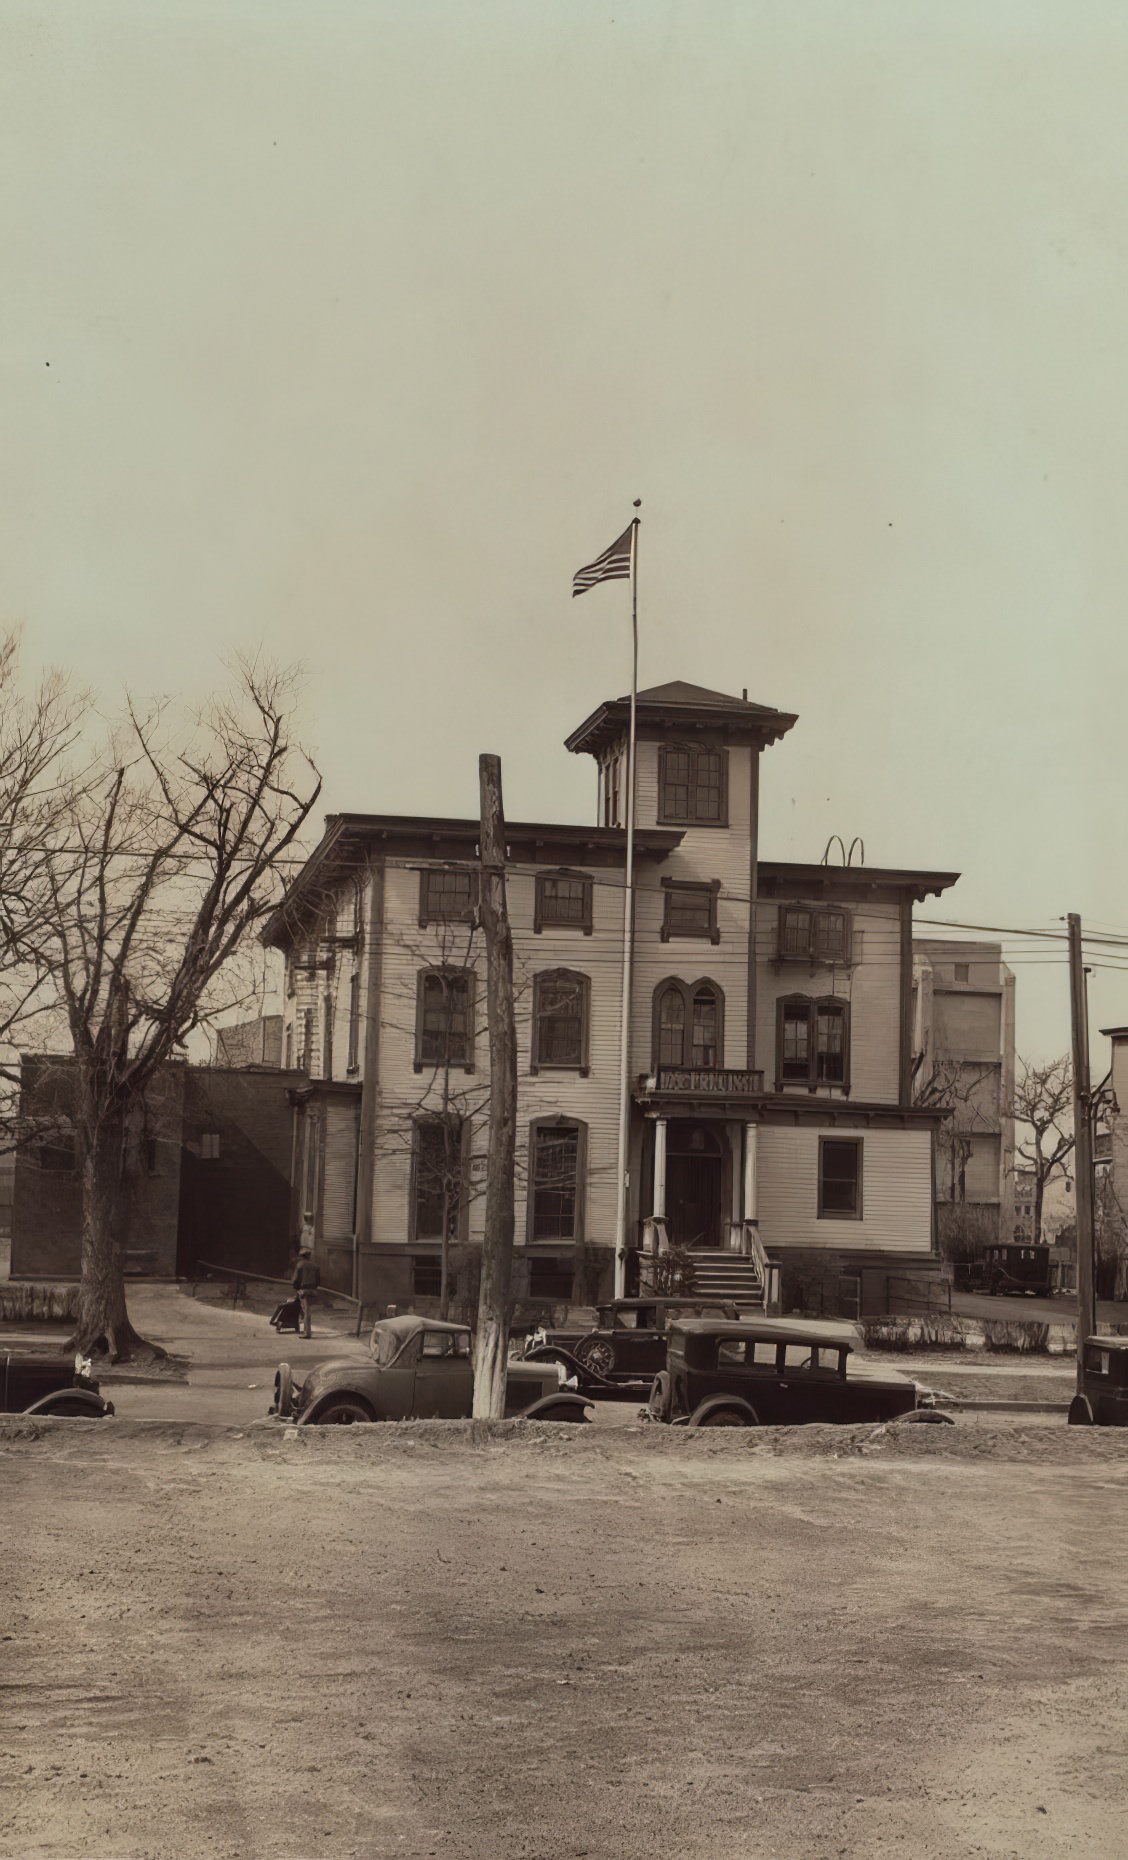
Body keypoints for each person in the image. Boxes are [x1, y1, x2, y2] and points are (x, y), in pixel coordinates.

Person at [292, 1246, 320, 1340]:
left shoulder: (300, 1265)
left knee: (306, 1311)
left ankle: (307, 1333)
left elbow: (295, 1280)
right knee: (304, 1309)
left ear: (301, 1256)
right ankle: (301, 1328)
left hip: (304, 1290)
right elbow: (318, 1281)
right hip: (313, 1290)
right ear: (309, 1256)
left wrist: (297, 1289)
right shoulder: (315, 1266)